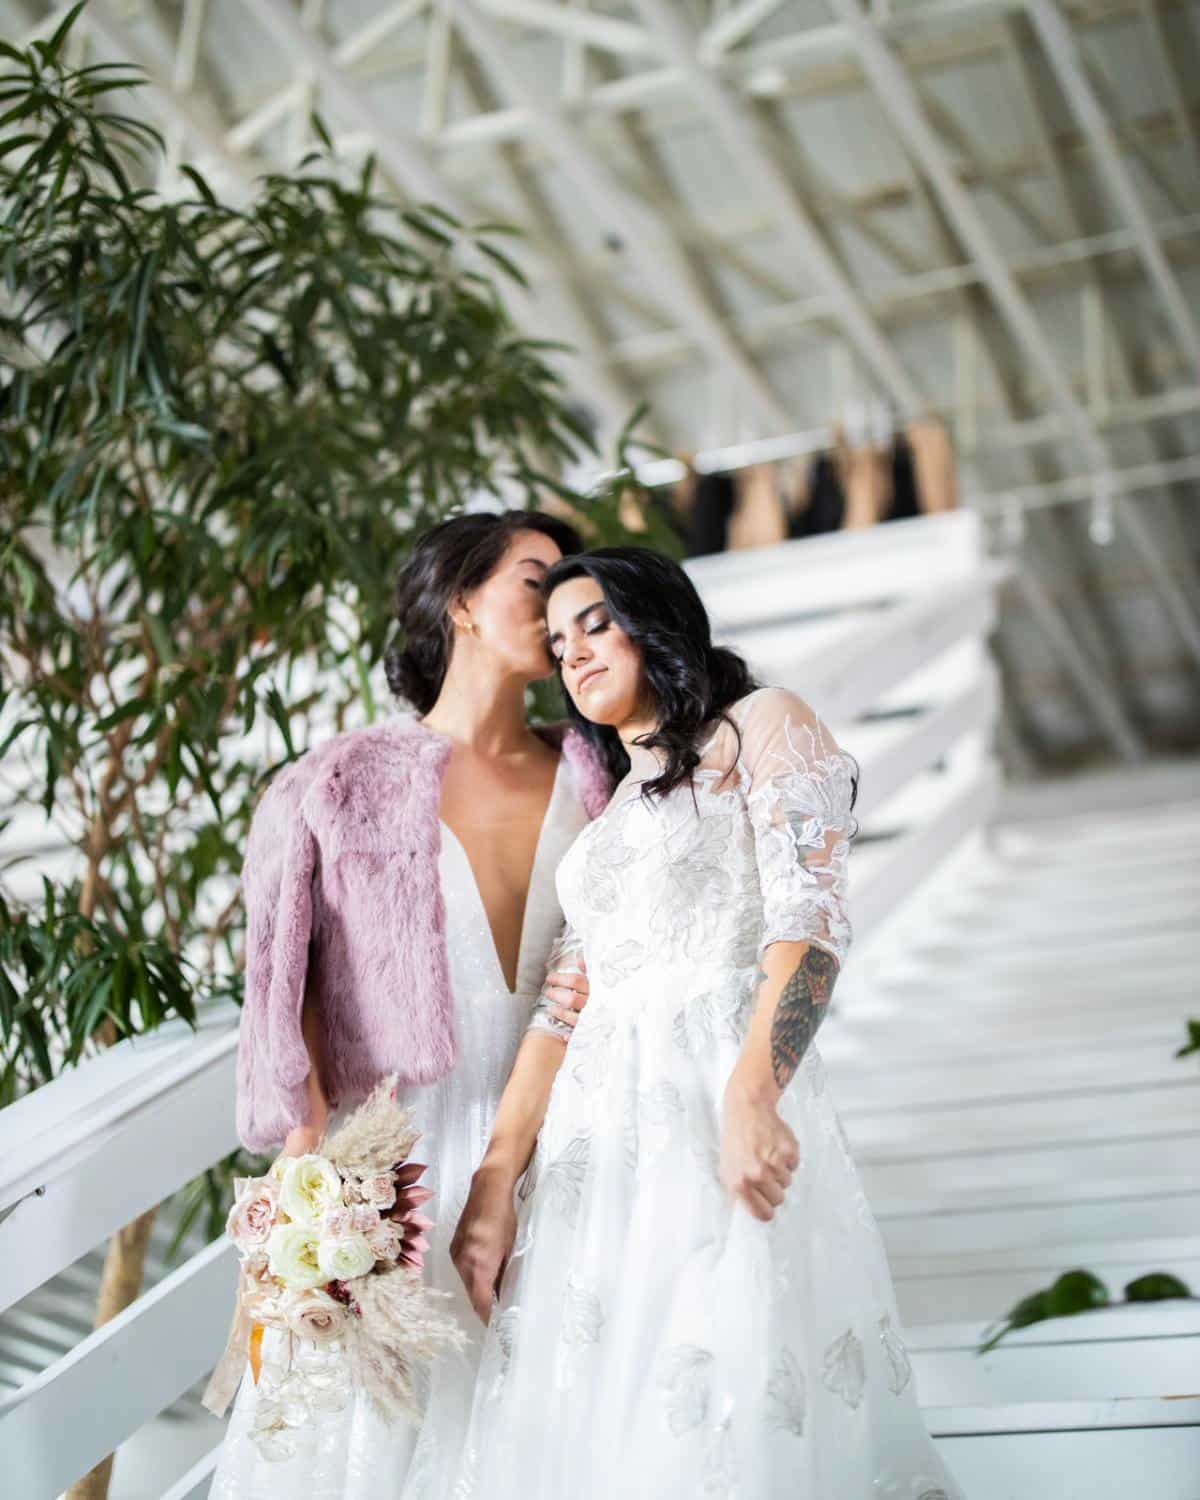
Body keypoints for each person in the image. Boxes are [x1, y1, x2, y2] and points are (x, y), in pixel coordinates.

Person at [450, 547, 964, 1500]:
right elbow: (563, 1009)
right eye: (558, 644)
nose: (575, 654)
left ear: (658, 618)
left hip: (715, 1107)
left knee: (726, 1387)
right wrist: (493, 1179)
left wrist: (754, 1092)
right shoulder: (603, 832)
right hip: (597, 1167)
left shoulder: (764, 726)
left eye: (596, 623)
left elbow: (808, 925)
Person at [208, 510, 612, 1498]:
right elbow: (281, 993)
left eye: (578, 589)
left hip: (573, 1145)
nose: (561, 605)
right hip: (394, 1165)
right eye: (535, 578)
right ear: (461, 600)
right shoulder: (335, 783)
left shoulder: (602, 772)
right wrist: (299, 1203)